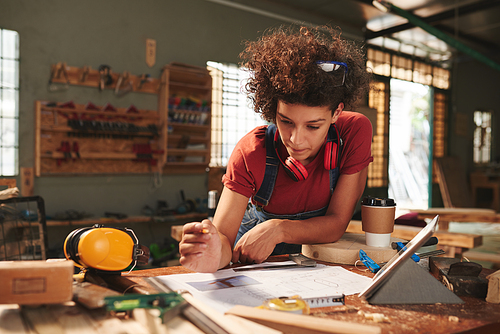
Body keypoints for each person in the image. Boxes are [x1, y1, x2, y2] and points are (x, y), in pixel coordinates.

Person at [180, 25, 373, 273]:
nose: (296, 140)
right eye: (286, 121)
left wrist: (278, 229)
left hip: (312, 261)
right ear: (273, 110)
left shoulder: (353, 132)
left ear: (336, 112)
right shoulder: (251, 152)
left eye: (313, 126)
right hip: (250, 259)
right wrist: (212, 254)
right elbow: (224, 239)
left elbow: (337, 223)